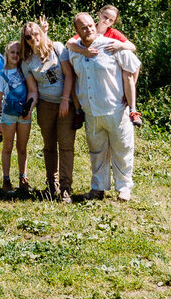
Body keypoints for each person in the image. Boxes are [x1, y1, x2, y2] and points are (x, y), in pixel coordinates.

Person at [66, 11, 141, 202]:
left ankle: (124, 188)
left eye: (91, 25)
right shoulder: (74, 51)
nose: (89, 29)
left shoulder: (110, 45)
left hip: (115, 109)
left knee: (122, 149)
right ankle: (97, 188)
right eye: (83, 27)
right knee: (96, 152)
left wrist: (128, 96)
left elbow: (134, 66)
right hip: (91, 112)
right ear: (77, 30)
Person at [19, 20, 76, 203]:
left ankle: (66, 187)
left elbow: (69, 75)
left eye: (36, 34)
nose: (33, 38)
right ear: (25, 40)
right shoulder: (26, 61)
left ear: (41, 32)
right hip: (45, 105)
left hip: (65, 103)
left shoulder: (58, 48)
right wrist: (29, 108)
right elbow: (33, 91)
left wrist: (66, 100)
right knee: (49, 146)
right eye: (28, 37)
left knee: (66, 145)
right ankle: (52, 184)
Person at [67, 5, 143, 126]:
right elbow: (70, 43)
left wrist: (120, 45)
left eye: (111, 20)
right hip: (89, 65)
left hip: (111, 70)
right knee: (73, 74)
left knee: (128, 72)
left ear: (114, 22)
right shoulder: (89, 27)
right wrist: (83, 51)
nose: (106, 21)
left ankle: (132, 109)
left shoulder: (113, 33)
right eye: (105, 17)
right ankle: (78, 111)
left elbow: (132, 47)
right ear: (99, 14)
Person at [0, 40, 33, 194]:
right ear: (7, 54)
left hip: (23, 116)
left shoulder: (24, 71)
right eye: (12, 52)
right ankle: (6, 179)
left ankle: (23, 178)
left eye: (18, 53)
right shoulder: (1, 75)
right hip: (8, 117)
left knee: (22, 148)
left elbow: (32, 90)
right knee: (7, 148)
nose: (15, 55)